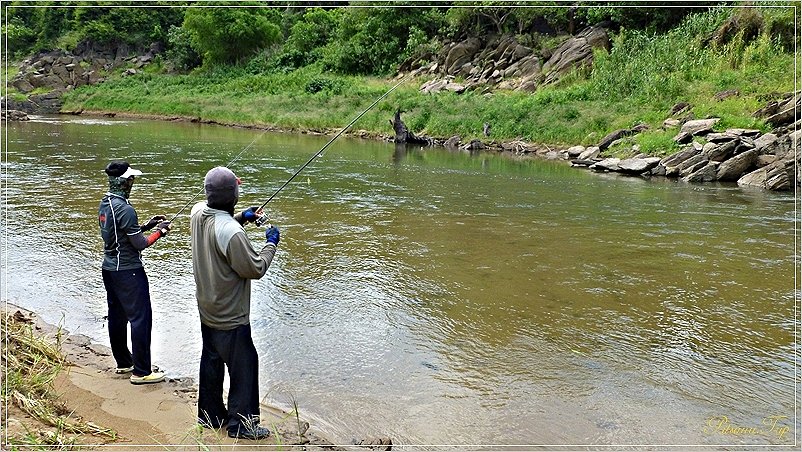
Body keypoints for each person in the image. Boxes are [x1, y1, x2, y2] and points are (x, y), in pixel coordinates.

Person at [190, 166, 280, 440]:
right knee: (245, 366)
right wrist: (271, 243)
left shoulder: (196, 213)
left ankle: (210, 415)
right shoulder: (233, 233)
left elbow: (220, 224)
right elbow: (254, 268)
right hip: (231, 316)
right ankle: (242, 425)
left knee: (212, 361)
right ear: (234, 195)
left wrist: (242, 216)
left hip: (207, 309)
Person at [98, 160, 171, 385]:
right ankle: (141, 372)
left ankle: (123, 363)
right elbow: (139, 244)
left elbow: (122, 234)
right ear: (125, 182)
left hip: (109, 269)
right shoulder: (126, 209)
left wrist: (148, 225)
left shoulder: (106, 203)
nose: (133, 182)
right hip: (128, 272)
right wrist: (160, 232)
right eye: (131, 179)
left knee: (117, 317)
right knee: (141, 318)